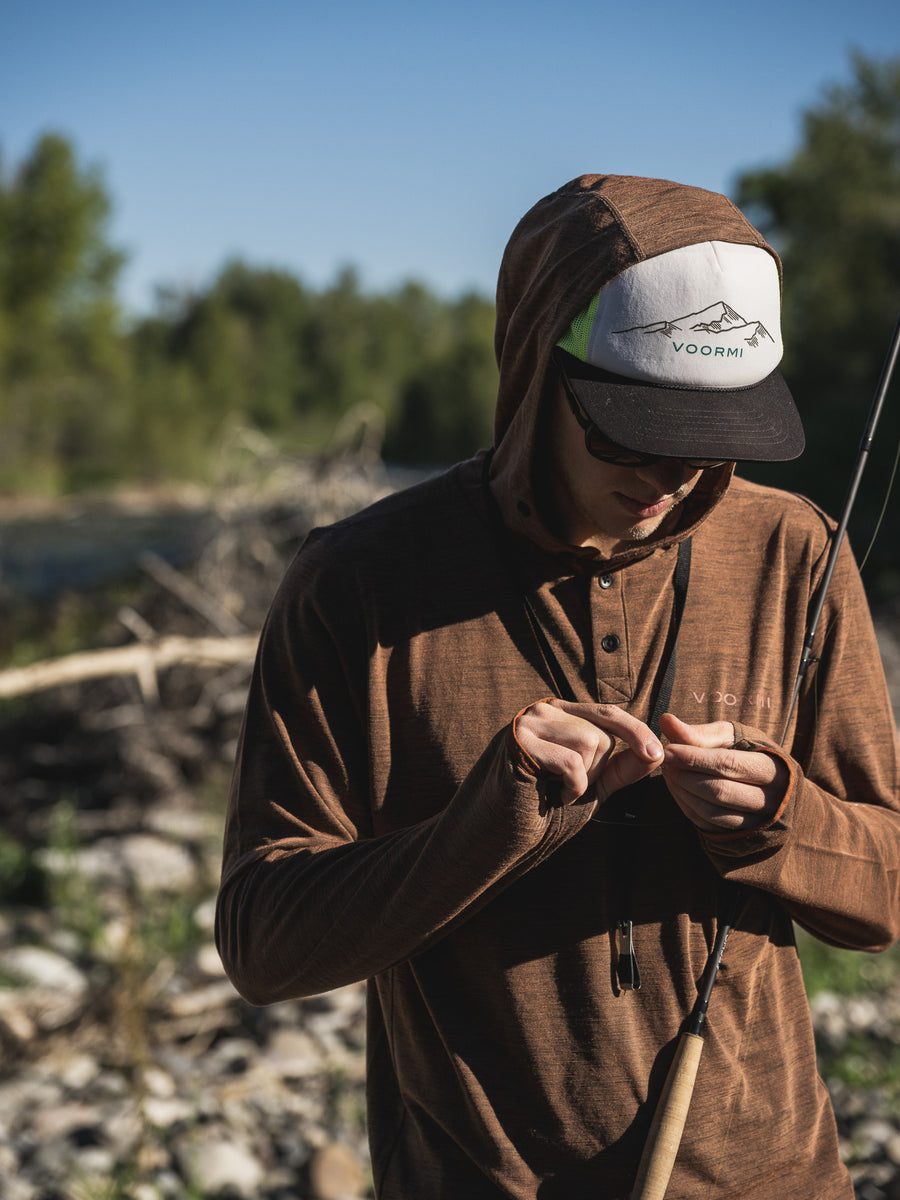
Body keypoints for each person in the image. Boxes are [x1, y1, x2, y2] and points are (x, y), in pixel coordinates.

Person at [215, 174, 900, 1199]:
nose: (671, 473)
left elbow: (884, 890)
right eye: (631, 426)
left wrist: (778, 820)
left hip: (775, 1176)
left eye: (714, 430)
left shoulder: (797, 554)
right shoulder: (357, 583)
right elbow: (264, 944)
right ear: (538, 367)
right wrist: (484, 827)